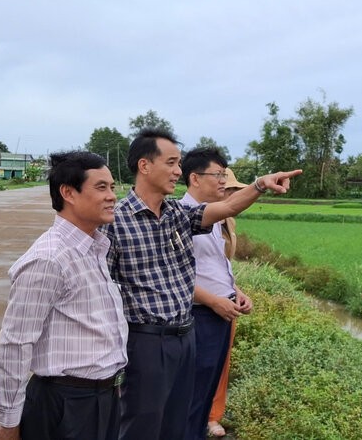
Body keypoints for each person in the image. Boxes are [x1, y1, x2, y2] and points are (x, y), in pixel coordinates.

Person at [99, 128, 300, 440]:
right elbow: (101, 289)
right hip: (146, 340)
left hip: (185, 334)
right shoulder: (115, 221)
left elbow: (228, 207)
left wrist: (260, 184)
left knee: (179, 420)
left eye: (179, 163)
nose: (178, 171)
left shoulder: (178, 214)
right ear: (145, 166)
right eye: (171, 163)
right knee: (142, 422)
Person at [0, 151, 127, 440]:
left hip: (103, 398)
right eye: (101, 187)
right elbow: (16, 344)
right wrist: (9, 423)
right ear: (68, 192)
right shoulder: (49, 259)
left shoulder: (93, 249)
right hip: (66, 405)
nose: (112, 196)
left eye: (113, 187)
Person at [180, 149, 253, 439]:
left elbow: (213, 266)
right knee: (193, 389)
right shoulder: (183, 217)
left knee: (210, 382)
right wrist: (214, 300)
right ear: (194, 178)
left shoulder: (213, 218)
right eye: (219, 176)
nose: (224, 183)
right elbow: (177, 277)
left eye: (226, 176)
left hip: (221, 310)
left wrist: (235, 291)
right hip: (202, 313)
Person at [206, 167, 249, 437]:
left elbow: (223, 267)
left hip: (226, 299)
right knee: (201, 363)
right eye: (232, 191)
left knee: (222, 362)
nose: (237, 197)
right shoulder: (201, 221)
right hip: (203, 302)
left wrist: (237, 290)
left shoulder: (229, 222)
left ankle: (213, 415)